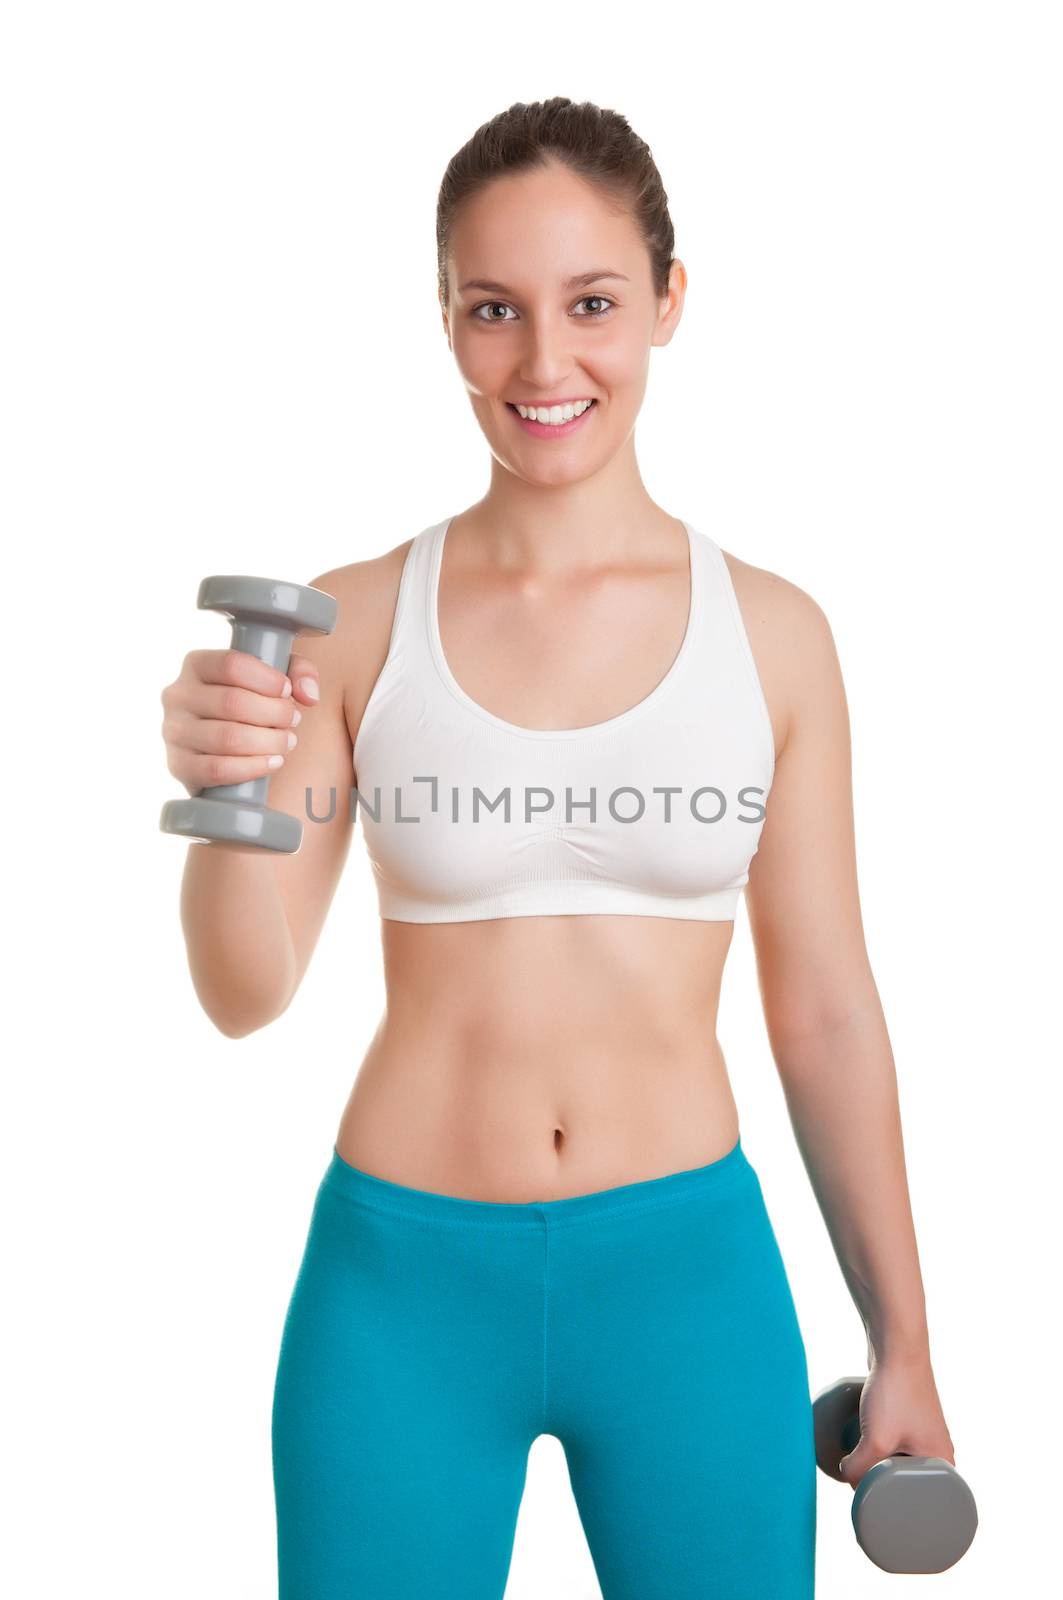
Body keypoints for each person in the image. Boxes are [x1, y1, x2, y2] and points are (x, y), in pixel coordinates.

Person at [160, 96, 955, 1600]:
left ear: (667, 298)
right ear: (446, 321)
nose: (542, 364)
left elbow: (828, 1012)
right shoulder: (352, 621)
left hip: (689, 1288)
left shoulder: (774, 637)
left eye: (591, 304)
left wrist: (903, 1342)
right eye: (492, 311)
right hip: (400, 1297)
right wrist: (229, 787)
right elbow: (243, 986)